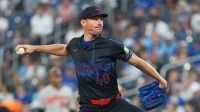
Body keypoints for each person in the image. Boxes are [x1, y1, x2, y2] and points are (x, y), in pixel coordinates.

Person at [16, 6, 168, 112]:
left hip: (114, 105)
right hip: (89, 107)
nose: (99, 22)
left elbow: (138, 61)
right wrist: (34, 47)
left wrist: (161, 79)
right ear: (83, 22)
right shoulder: (75, 44)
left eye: (101, 19)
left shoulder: (111, 45)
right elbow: (62, 49)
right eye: (94, 19)